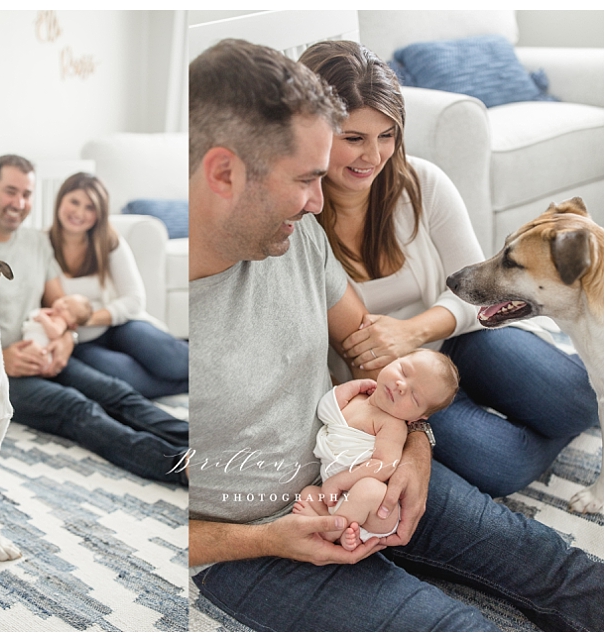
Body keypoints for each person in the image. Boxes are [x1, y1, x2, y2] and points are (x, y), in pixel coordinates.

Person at [188, 38, 602, 631]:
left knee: (566, 571)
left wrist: (414, 448)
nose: (317, 203)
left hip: (370, 457)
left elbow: (371, 355)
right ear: (224, 173)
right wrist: (270, 537)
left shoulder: (296, 235)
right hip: (258, 539)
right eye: (307, 177)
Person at [297, 41, 598, 498]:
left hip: (465, 340)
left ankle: (522, 408)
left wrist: (411, 332)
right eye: (353, 138)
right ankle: (511, 422)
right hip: (393, 385)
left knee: (577, 402)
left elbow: (479, 294)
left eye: (387, 135)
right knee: (502, 466)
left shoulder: (422, 182)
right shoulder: (294, 219)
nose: (373, 157)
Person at [0, 154, 187, 486]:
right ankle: (181, 465)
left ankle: (205, 443)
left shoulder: (37, 243)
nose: (19, 202)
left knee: (118, 393)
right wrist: (3, 359)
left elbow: (59, 307)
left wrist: (65, 340)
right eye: (10, 191)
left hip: (43, 353)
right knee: (78, 410)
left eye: (27, 194)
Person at [293, 350, 459, 550]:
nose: (401, 386)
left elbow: (384, 465)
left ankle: (333, 530)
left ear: (418, 417)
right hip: (338, 497)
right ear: (394, 360)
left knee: (368, 489)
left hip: (374, 510)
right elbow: (326, 411)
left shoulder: (392, 425)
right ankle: (337, 529)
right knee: (308, 494)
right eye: (403, 371)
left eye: (414, 397)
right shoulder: (358, 398)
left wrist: (341, 481)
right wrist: (350, 388)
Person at [48, 172, 188, 399]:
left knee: (171, 362)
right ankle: (194, 386)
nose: (79, 213)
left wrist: (89, 318)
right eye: (74, 202)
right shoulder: (43, 245)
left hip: (121, 323)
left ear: (99, 213)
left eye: (90, 207)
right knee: (127, 379)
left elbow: (134, 299)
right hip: (80, 342)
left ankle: (216, 371)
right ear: (61, 200)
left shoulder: (108, 240)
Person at [22, 294, 93, 348]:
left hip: (40, 348)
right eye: (65, 301)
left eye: (69, 310)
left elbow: (54, 333)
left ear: (72, 325)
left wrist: (43, 318)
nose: (63, 307)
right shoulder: (49, 313)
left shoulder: (60, 321)